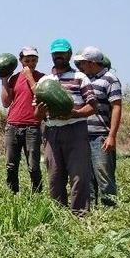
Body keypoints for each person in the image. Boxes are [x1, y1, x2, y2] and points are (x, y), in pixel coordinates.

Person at [34, 39, 97, 215]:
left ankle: (80, 215)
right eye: (56, 53)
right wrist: (40, 111)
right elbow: (36, 115)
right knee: (55, 177)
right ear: (52, 55)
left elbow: (93, 106)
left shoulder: (80, 77)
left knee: (79, 176)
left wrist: (74, 114)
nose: (59, 56)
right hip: (52, 132)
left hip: (75, 130)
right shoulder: (44, 81)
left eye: (62, 53)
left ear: (69, 54)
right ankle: (59, 215)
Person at [76, 46, 122, 206]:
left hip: (101, 135)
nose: (80, 66)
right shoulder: (85, 80)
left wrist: (112, 136)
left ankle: (110, 213)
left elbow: (117, 106)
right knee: (87, 178)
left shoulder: (110, 79)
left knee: (104, 177)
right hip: (83, 135)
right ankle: (92, 214)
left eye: (82, 63)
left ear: (91, 63)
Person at [0, 46, 46, 194]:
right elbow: (6, 103)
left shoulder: (43, 78)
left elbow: (41, 95)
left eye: (33, 60)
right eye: (27, 60)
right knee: (11, 165)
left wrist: (30, 77)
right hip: (12, 126)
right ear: (20, 61)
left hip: (33, 126)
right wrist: (5, 81)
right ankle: (13, 195)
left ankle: (37, 196)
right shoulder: (14, 78)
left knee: (33, 166)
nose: (30, 63)